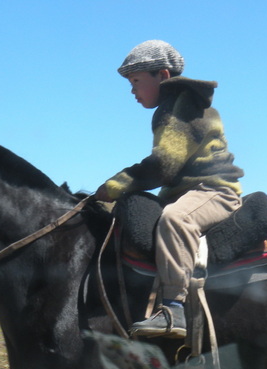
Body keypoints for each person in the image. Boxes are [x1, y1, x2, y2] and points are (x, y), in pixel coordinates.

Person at [95, 40, 244, 339]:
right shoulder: (169, 107)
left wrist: (114, 186)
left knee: (176, 220)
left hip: (214, 190)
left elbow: (164, 165)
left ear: (162, 75)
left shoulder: (184, 105)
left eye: (136, 81)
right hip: (187, 192)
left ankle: (174, 309)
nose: (132, 91)